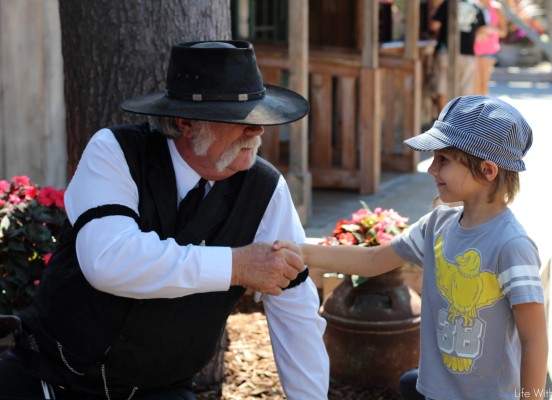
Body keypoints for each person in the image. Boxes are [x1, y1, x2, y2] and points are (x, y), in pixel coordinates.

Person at [0, 40, 329, 399]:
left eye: (259, 119)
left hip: (158, 391)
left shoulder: (267, 189)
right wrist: (237, 266)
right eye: (240, 121)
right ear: (184, 122)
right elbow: (109, 261)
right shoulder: (114, 151)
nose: (257, 131)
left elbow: (295, 307)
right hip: (48, 377)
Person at [276, 95, 548, 399]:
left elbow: (534, 338)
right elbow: (373, 260)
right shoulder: (437, 226)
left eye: (443, 160)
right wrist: (304, 253)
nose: (431, 169)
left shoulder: (512, 246)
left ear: (487, 170)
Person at [429, 0, 486, 112]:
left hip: (446, 51)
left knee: (442, 88)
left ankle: (444, 122)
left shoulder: (448, 3)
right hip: (468, 54)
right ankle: (459, 122)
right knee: (465, 90)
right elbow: (482, 31)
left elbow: (434, 26)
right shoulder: (476, 7)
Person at [473, 0, 508, 95]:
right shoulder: (472, 4)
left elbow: (503, 32)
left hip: (489, 49)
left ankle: (484, 108)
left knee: (483, 84)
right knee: (474, 84)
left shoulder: (497, 7)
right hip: (472, 49)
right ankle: (474, 108)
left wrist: (490, 29)